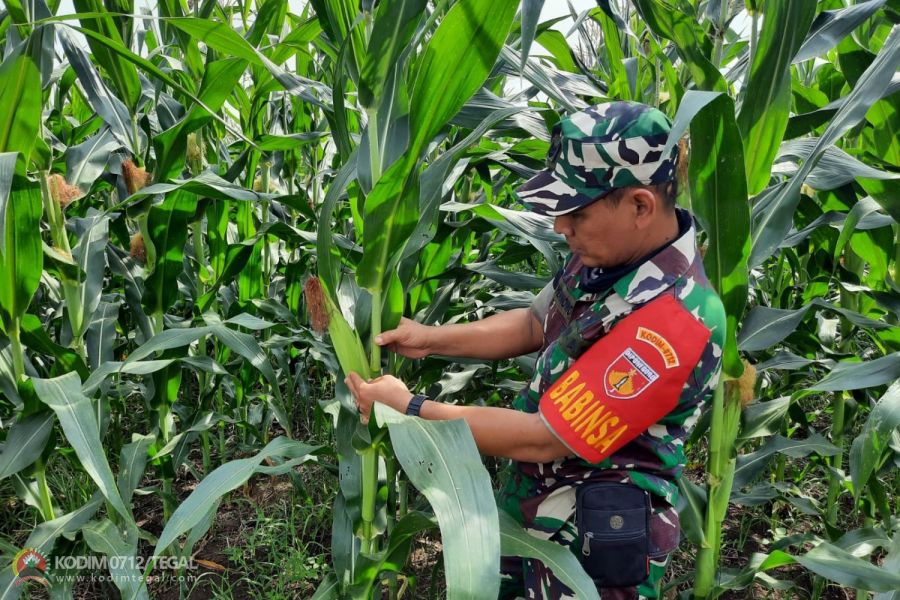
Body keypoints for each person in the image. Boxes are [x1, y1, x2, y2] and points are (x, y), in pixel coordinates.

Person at [345, 101, 725, 599]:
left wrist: (411, 409)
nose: (560, 228)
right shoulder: (604, 258)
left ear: (639, 206)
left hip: (589, 543)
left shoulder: (676, 323)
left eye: (577, 213)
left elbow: (544, 438)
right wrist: (432, 337)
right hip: (534, 507)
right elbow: (533, 321)